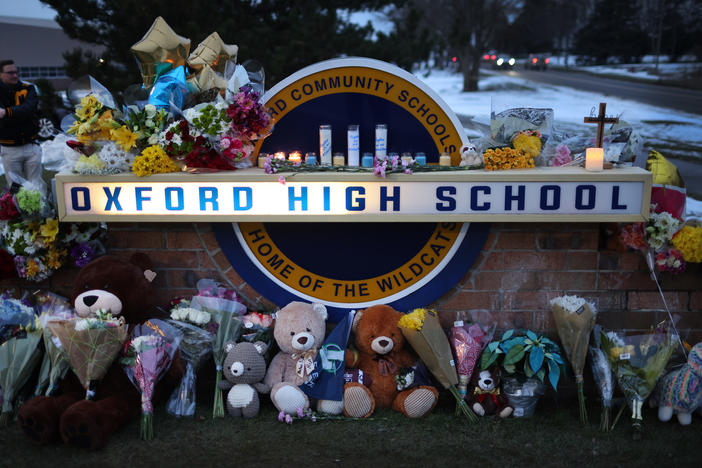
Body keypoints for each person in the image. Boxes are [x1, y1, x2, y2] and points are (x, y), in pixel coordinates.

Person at [0, 59, 42, 185]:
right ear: (1, 74)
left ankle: (40, 206)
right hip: (9, 148)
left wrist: (7, 113)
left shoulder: (28, 88)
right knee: (15, 187)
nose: (15, 75)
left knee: (37, 185)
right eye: (10, 73)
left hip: (31, 145)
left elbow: (29, 109)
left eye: (16, 72)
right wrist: (19, 113)